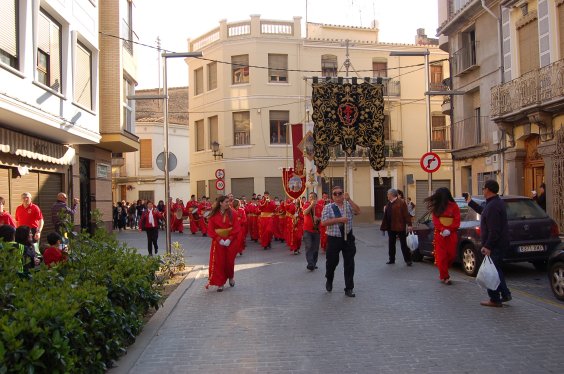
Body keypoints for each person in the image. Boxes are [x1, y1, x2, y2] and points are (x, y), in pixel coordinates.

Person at [466, 179, 512, 307]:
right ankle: (505, 293)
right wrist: (470, 202)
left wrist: (488, 246)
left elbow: (494, 230)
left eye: (484, 188)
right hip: (498, 244)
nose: (483, 190)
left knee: (490, 271)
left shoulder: (493, 206)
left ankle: (495, 299)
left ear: (488, 190)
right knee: (495, 270)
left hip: (495, 245)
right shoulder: (494, 203)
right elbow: (483, 211)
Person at [321, 186, 361, 298]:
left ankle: (349, 288)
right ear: (332, 196)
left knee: (349, 263)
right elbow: (323, 223)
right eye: (335, 194)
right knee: (332, 263)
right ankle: (329, 278)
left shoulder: (348, 205)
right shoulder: (328, 207)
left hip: (348, 238)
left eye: (340, 193)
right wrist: (338, 220)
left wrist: (349, 200)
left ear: (343, 194)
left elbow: (358, 211)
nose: (338, 195)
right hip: (334, 238)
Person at [424, 188, 461, 285]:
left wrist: (450, 229)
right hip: (440, 234)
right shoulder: (437, 207)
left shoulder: (454, 206)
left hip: (451, 234)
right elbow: (435, 221)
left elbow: (457, 220)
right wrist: (443, 229)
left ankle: (444, 271)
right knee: (441, 257)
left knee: (451, 255)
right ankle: (445, 276)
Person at [206, 195, 241, 292]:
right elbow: (210, 229)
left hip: (231, 241)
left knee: (229, 262)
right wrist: (218, 239)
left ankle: (230, 277)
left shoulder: (233, 213)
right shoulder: (213, 215)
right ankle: (220, 283)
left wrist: (230, 238)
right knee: (219, 262)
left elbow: (236, 227)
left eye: (228, 202)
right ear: (220, 203)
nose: (228, 203)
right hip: (218, 242)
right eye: (226, 202)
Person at [380, 189, 413, 266]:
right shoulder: (388, 204)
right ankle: (391, 259)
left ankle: (408, 260)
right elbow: (386, 216)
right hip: (390, 227)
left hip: (400, 226)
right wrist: (384, 227)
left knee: (403, 244)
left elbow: (406, 214)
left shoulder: (401, 202)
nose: (387, 196)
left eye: (388, 194)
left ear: (392, 195)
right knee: (391, 244)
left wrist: (410, 225)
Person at [303, 192, 323, 271]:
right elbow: (304, 212)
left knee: (315, 248)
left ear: (316, 198)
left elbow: (324, 217)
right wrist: (311, 205)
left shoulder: (320, 207)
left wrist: (318, 219)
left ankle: (314, 263)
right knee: (308, 246)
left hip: (316, 230)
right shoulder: (306, 205)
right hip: (307, 230)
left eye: (313, 197)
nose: (311, 198)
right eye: (310, 197)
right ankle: (310, 263)